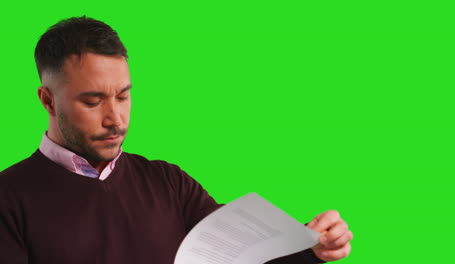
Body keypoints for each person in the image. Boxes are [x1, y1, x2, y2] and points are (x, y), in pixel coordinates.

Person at [0, 16, 352, 263]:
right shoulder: (8, 200)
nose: (116, 119)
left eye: (123, 96)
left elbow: (245, 255)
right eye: (92, 101)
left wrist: (311, 247)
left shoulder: (168, 182)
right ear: (48, 100)